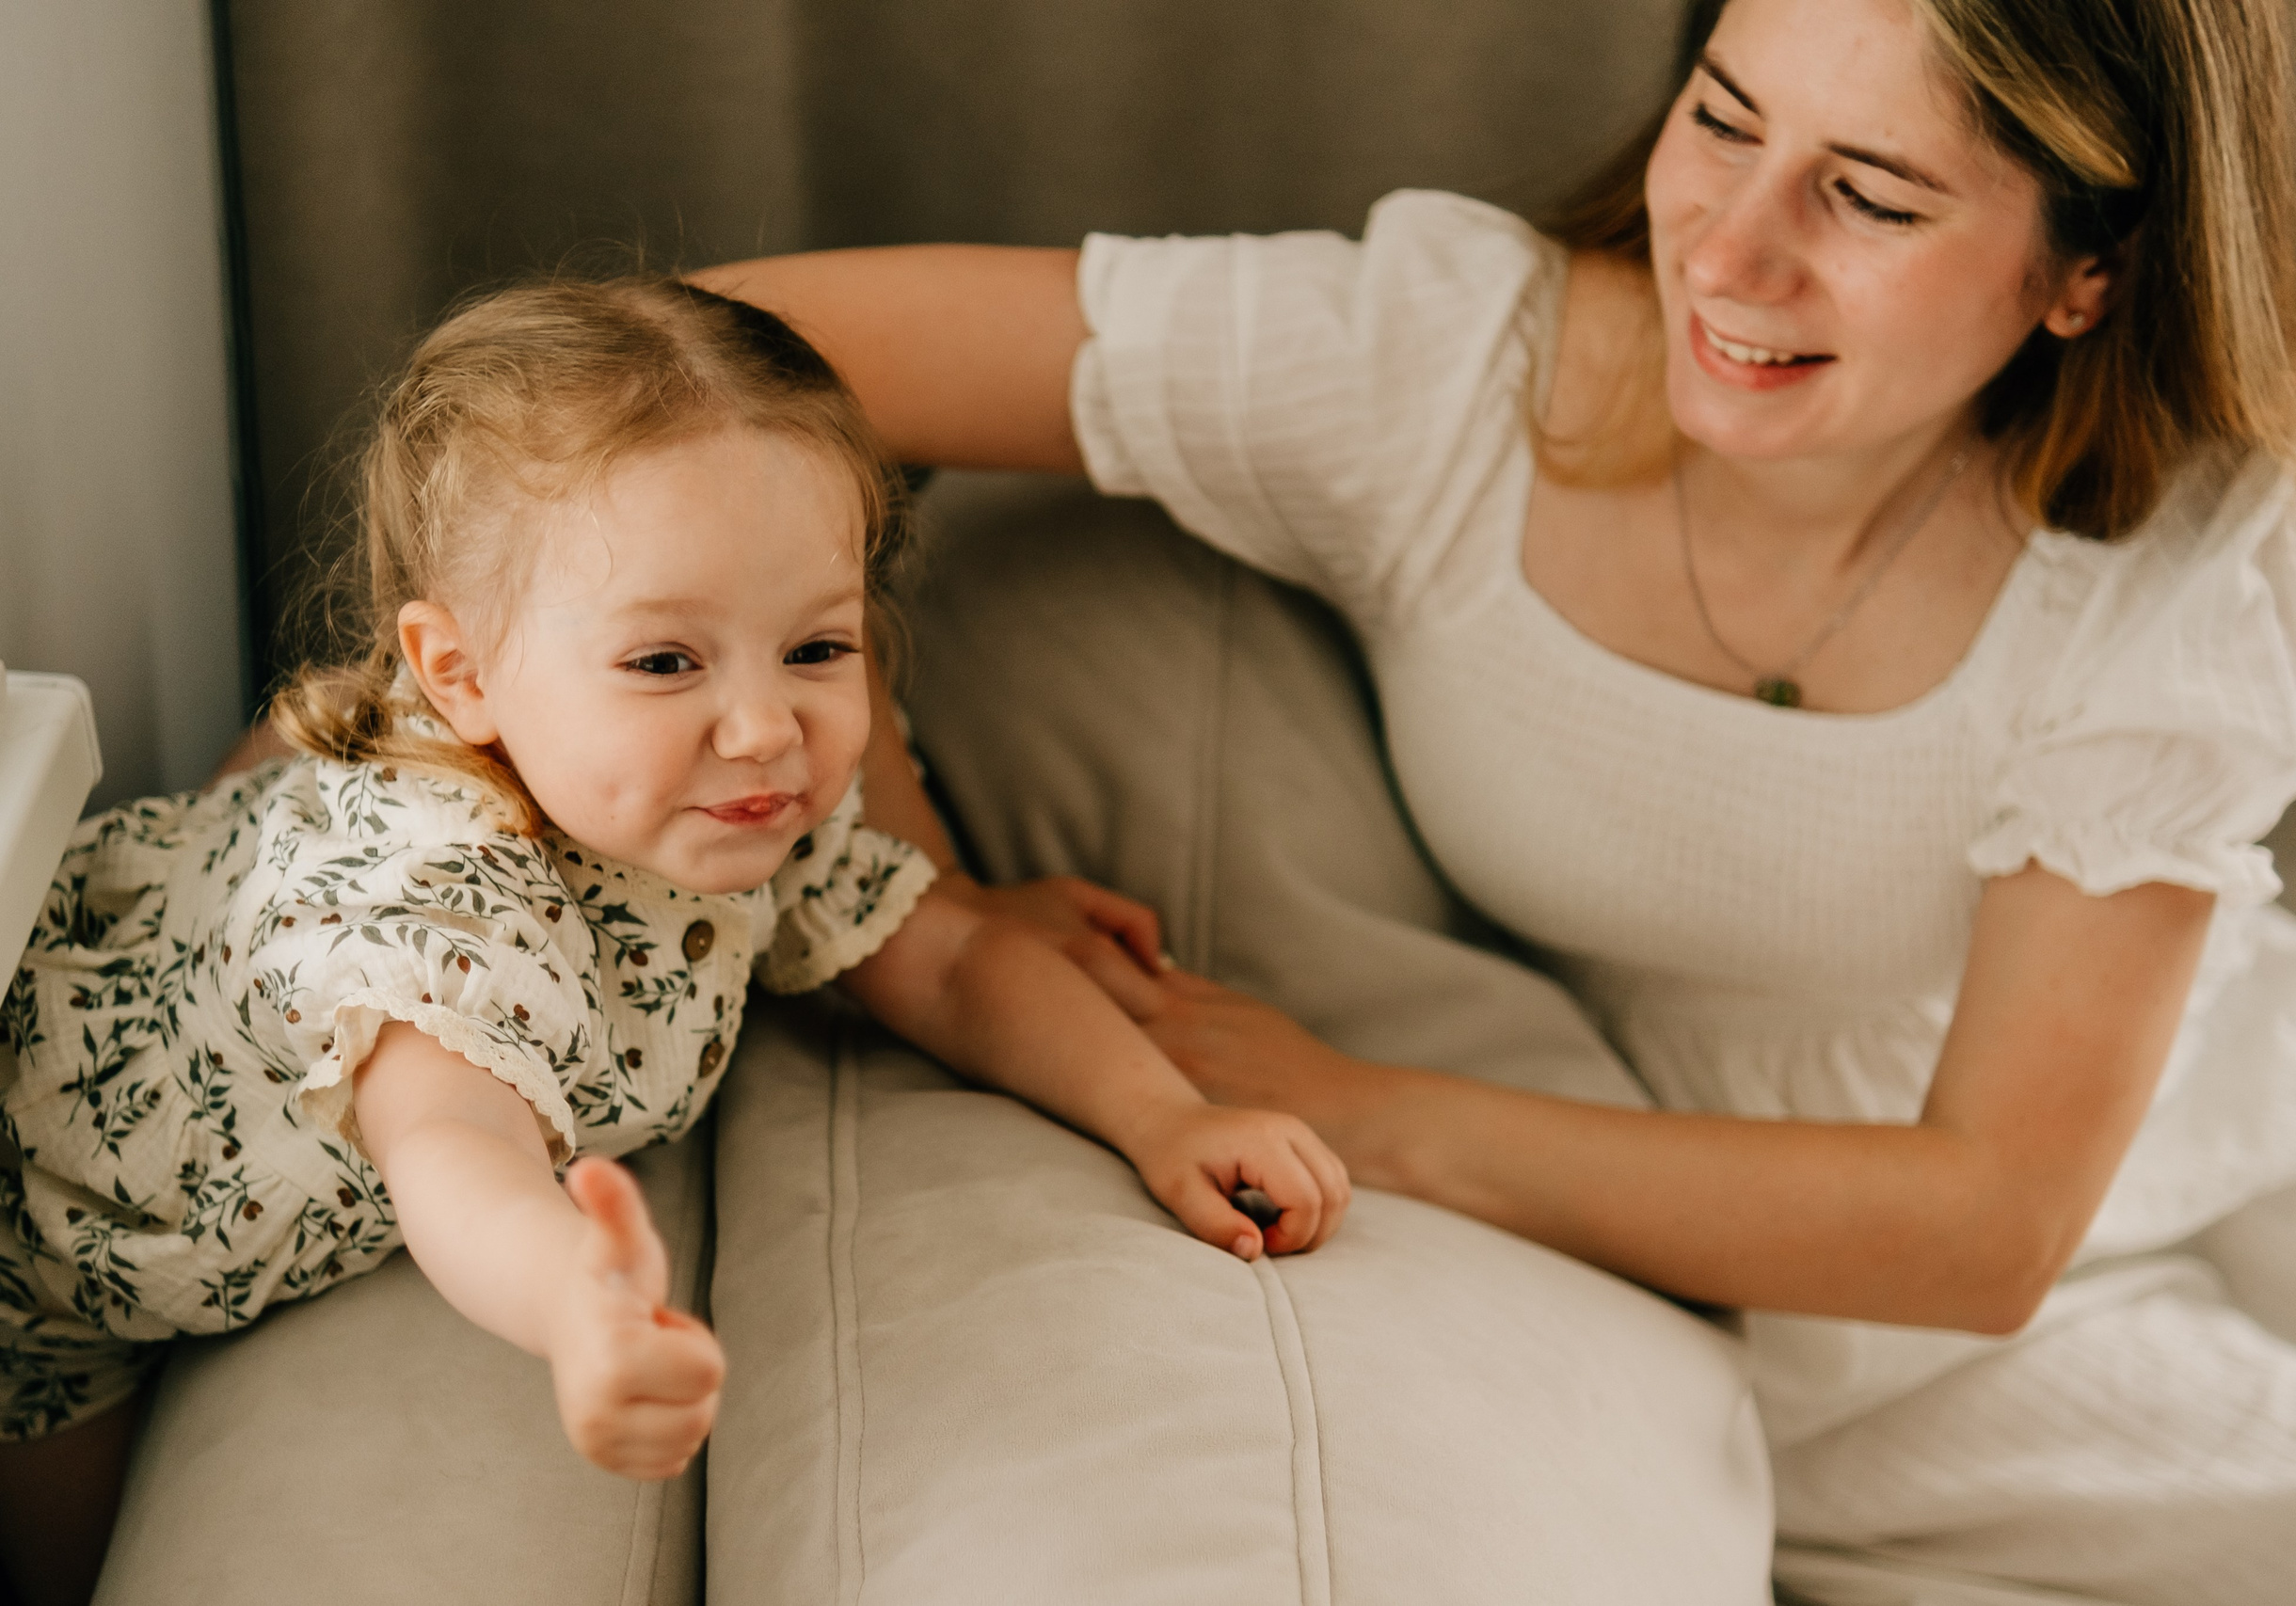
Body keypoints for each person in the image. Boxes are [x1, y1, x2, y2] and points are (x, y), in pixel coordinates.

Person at [694, 0, 2296, 1598]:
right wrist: (905, 882)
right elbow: (719, 358)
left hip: (2218, 1099)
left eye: (1870, 198)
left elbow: (1990, 1216)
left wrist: (1370, 1112)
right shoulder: (1443, 371)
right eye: (1723, 120)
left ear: (2085, 276)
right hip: (1838, 1293)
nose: (1729, 254)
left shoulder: (2182, 554)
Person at [0, 276, 1347, 1606]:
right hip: (46, 1241)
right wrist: (575, 1309)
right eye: (665, 663)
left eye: (816, 648)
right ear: (461, 675)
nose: (765, 725)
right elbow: (450, 1147)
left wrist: (1162, 1115)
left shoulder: (733, 803)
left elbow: (942, 958)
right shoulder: (443, 897)